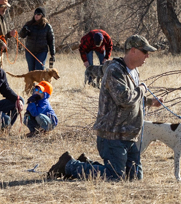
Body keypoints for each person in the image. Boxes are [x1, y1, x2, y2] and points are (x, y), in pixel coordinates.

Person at [48, 35, 161, 181]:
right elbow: (124, 98)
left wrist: (150, 102)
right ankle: (69, 165)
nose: (147, 56)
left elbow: (132, 98)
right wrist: (141, 89)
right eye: (145, 52)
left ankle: (86, 164)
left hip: (129, 135)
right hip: (112, 135)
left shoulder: (133, 72)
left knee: (134, 178)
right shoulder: (115, 71)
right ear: (133, 50)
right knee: (115, 176)